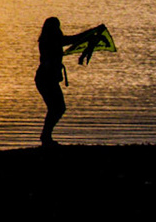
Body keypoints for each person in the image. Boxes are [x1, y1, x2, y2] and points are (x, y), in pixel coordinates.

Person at [36, 17, 107, 146]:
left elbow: (74, 39)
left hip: (46, 78)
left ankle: (46, 136)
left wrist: (93, 32)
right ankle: (45, 136)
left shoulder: (50, 40)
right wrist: (93, 30)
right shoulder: (51, 40)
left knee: (56, 108)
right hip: (46, 79)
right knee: (57, 108)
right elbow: (74, 39)